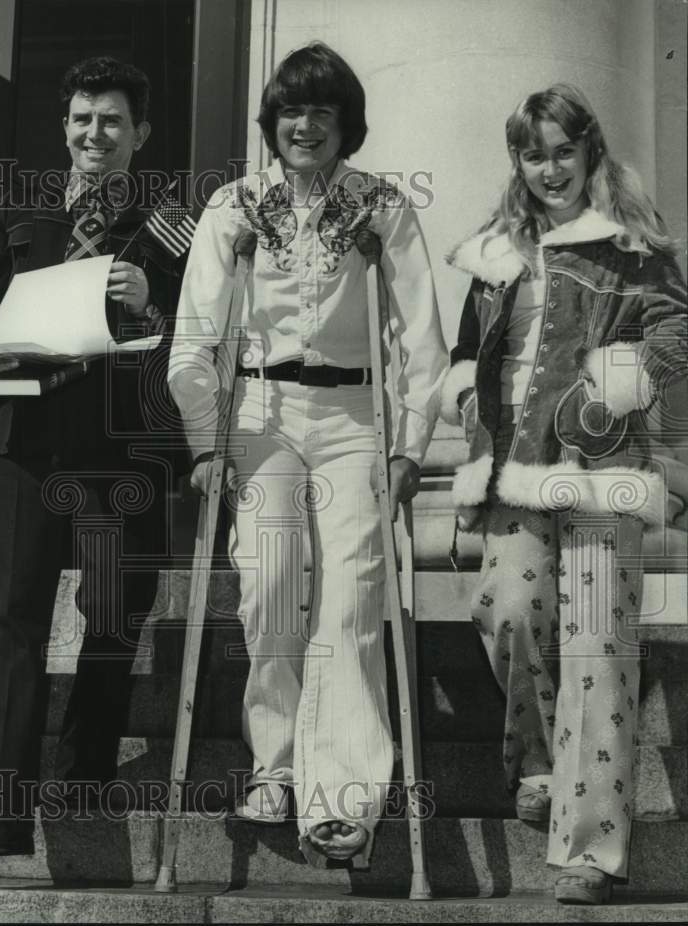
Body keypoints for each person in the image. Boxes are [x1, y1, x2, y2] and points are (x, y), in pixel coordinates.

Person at [168, 42, 446, 865]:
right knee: (269, 576)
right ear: (272, 122)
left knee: (354, 589)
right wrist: (202, 434)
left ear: (345, 123)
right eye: (292, 110)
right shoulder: (234, 205)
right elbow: (195, 333)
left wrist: (410, 444)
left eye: (323, 111)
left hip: (357, 413)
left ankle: (344, 800)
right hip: (261, 409)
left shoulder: (383, 207)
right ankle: (276, 765)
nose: (306, 125)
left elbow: (421, 339)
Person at [440, 83, 687, 904]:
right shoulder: (495, 253)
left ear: (589, 152)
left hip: (602, 473)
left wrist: (614, 387)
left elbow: (675, 339)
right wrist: (465, 406)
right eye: (533, 153)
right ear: (518, 159)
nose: (550, 169)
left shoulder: (634, 249)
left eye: (562, 151)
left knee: (596, 654)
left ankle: (589, 850)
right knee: (508, 608)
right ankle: (539, 759)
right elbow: (468, 351)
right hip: (513, 465)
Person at [0, 56, 185, 855]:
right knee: (16, 617)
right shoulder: (16, 214)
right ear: (65, 128)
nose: (96, 134)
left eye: (113, 121)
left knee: (115, 615)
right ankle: (5, 809)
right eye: (84, 119)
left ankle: (86, 772)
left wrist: (153, 299)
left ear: (140, 134)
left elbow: (213, 331)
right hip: (24, 438)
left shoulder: (172, 226)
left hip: (125, 446)